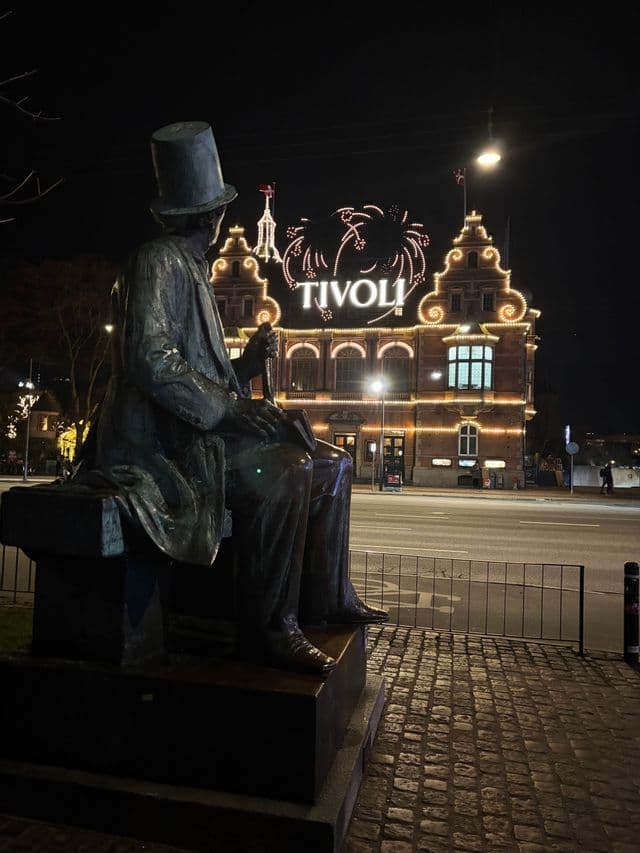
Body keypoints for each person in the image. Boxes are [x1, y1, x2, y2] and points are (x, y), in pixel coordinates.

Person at [75, 121, 387, 678]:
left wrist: (244, 366)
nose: (221, 219)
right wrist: (238, 409)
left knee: (333, 464)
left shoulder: (193, 269)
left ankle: (327, 599)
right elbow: (154, 364)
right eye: (219, 209)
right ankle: (268, 631)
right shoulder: (159, 261)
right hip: (160, 445)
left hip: (194, 428)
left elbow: (198, 371)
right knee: (287, 470)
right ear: (209, 215)